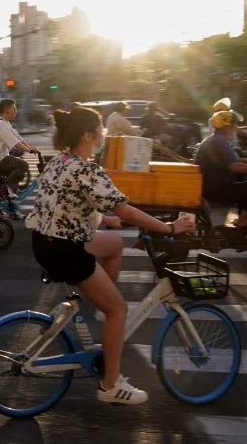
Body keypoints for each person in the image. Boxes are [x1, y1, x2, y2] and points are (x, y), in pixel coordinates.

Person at [25, 106, 195, 406]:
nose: (104, 135)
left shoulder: (59, 162)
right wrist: (169, 227)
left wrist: (106, 220)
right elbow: (125, 208)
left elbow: (68, 205)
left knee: (114, 244)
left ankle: (103, 308)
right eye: (101, 130)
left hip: (45, 241)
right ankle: (111, 384)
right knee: (120, 310)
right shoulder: (86, 169)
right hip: (64, 250)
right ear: (89, 135)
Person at [195, 110, 247, 229]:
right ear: (225, 127)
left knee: (246, 186)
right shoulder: (219, 142)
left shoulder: (215, 140)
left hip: (212, 186)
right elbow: (237, 167)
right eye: (233, 125)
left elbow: (229, 160)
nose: (235, 128)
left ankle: (246, 219)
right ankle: (243, 220)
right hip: (216, 190)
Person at [0, 99, 38, 200]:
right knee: (23, 165)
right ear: (6, 111)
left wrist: (28, 147)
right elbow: (13, 140)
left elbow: (16, 136)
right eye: (14, 108)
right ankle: (6, 189)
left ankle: (10, 199)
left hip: (1, 157)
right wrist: (28, 150)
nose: (16, 110)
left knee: (18, 171)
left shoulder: (5, 122)